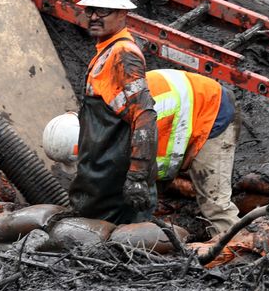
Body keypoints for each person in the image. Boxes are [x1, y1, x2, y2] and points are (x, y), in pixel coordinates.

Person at [44, 68, 242, 236]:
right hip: (186, 109)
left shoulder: (126, 126)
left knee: (215, 205)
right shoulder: (100, 119)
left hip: (212, 111)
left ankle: (238, 255)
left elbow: (143, 173)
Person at [62, 0, 159, 224]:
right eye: (91, 9)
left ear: (123, 14)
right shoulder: (105, 52)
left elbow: (145, 117)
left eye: (104, 10)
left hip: (115, 186)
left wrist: (137, 176)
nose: (94, 16)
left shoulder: (124, 54)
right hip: (100, 180)